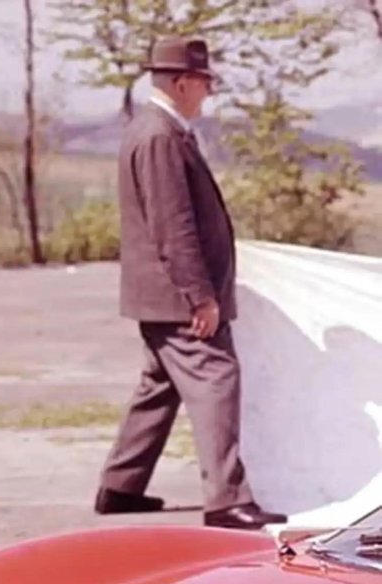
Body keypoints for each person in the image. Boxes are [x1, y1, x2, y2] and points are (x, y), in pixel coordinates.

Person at [95, 36, 287, 531]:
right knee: (217, 378)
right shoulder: (159, 136)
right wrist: (200, 296)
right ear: (182, 83)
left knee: (159, 387)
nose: (207, 93)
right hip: (175, 297)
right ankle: (226, 500)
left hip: (160, 297)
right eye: (203, 83)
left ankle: (120, 487)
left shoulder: (159, 130)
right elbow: (172, 226)